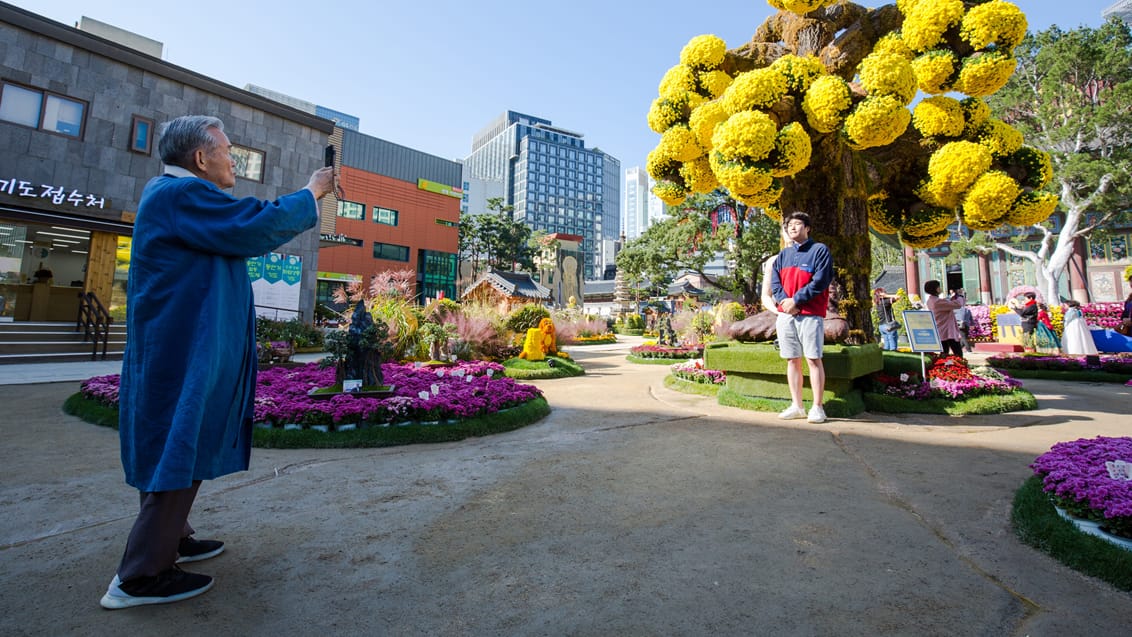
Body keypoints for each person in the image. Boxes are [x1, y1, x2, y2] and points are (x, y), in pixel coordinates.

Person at [100, 116, 338, 610]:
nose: (234, 160)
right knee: (180, 440)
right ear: (201, 158)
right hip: (183, 349)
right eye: (229, 151)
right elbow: (253, 226)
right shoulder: (179, 195)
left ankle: (172, 538)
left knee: (182, 439)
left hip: (183, 345)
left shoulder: (174, 196)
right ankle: (140, 575)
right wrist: (312, 192)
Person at [770, 211, 833, 424]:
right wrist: (785, 303)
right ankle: (797, 405)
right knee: (792, 359)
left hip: (810, 314)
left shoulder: (819, 251)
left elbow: (820, 281)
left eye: (798, 224)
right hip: (786, 315)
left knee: (813, 359)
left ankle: (817, 407)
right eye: (789, 226)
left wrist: (796, 300)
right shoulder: (783, 256)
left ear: (808, 228)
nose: (793, 228)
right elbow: (775, 284)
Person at [924, 280, 964, 358]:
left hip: (941, 330)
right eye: (939, 287)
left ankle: (945, 368)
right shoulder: (937, 302)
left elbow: (947, 303)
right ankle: (957, 368)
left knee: (944, 353)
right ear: (935, 289)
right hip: (947, 331)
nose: (940, 288)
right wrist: (960, 296)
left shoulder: (931, 300)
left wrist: (952, 298)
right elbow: (958, 304)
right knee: (957, 353)